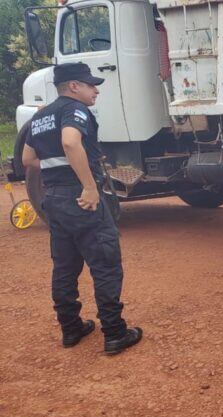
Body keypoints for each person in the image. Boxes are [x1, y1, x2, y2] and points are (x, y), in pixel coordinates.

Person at [21, 63, 142, 355]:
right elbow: (70, 141)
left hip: (54, 200)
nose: (96, 90)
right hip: (81, 199)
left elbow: (28, 159)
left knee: (65, 267)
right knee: (105, 263)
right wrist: (87, 185)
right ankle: (114, 333)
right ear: (74, 86)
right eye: (90, 85)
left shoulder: (40, 116)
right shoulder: (74, 110)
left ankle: (71, 327)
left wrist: (58, 172)